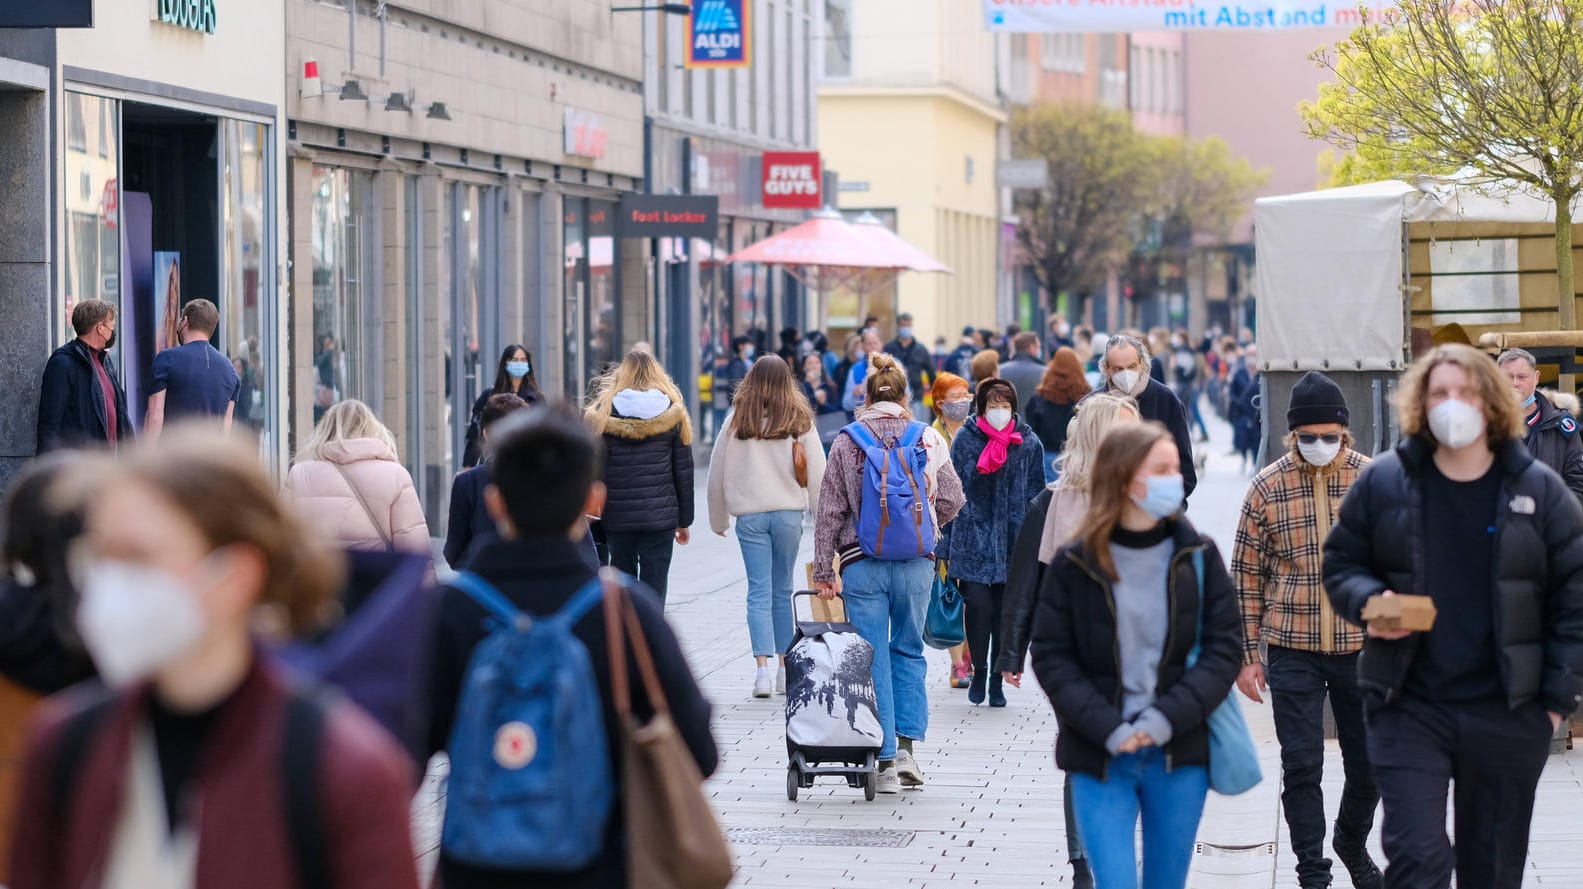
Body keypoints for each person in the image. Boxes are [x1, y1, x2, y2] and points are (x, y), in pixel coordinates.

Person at [10, 428, 420, 889]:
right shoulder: (64, 745)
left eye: (138, 557)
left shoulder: (344, 770)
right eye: (100, 554)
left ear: (234, 576)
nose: (106, 581)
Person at [1323, 343, 1583, 889]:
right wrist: (1369, 600)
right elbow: (1343, 562)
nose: (1453, 403)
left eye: (1465, 392)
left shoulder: (1538, 489)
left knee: (1491, 870)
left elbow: (1573, 597)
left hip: (1507, 709)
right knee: (1418, 860)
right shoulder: (1385, 481)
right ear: (1420, 403)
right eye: (1439, 392)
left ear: (1492, 400)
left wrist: (1556, 704)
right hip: (1409, 703)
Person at [427, 407, 717, 889]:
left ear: (495, 504)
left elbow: (399, 753)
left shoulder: (448, 613)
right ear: (594, 499)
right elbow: (700, 754)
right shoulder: (626, 613)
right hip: (600, 864)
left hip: (474, 864)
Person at [1031, 422, 1240, 889]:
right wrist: (1107, 727)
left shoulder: (1199, 557)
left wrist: (1165, 718)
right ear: (1125, 479)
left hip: (1178, 753)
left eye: (1177, 468)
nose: (1176, 479)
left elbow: (1224, 651)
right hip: (1101, 753)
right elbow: (1050, 655)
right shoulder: (1076, 563)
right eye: (1162, 469)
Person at [1232, 372, 1381, 889]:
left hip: (1362, 647)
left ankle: (1350, 840)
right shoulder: (1266, 486)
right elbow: (1246, 576)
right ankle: (1311, 871)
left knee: (1370, 765)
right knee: (1301, 764)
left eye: (1330, 435)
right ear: (1292, 435)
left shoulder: (1373, 481)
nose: (1320, 445)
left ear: (1346, 432)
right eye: (1308, 436)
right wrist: (1248, 655)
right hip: (1292, 645)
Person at [997, 392, 1139, 889]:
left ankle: (1114, 848)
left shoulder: (1145, 498)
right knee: (1083, 746)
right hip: (1069, 652)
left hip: (1133, 652)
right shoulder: (1053, 502)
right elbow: (1025, 583)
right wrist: (1011, 653)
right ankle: (1084, 863)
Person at [812, 353, 965, 793]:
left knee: (871, 656)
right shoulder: (927, 439)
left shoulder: (847, 440)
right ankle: (907, 752)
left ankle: (878, 758)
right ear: (905, 395)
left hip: (862, 565)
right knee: (909, 652)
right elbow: (954, 497)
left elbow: (829, 510)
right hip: (916, 564)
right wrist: (926, 528)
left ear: (866, 395)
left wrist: (826, 568)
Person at [708, 356, 828, 697]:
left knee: (757, 591)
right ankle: (782, 668)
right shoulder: (799, 419)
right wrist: (823, 519)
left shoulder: (736, 420)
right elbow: (819, 472)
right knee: (782, 589)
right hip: (789, 513)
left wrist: (718, 517)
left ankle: (760, 673)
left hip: (751, 516)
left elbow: (717, 471)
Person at [943, 379, 1045, 707]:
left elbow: (1037, 493)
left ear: (1014, 408)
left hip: (1015, 542)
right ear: (981, 408)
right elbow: (951, 491)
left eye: (1005, 405)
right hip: (973, 539)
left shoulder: (1028, 443)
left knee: (1003, 611)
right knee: (978, 608)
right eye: (992, 405)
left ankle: (997, 679)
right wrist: (946, 543)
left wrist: (1036, 540)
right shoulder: (966, 440)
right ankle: (979, 669)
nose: (999, 412)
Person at [586, 349, 695, 602]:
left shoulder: (605, 413)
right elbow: (684, 472)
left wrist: (596, 521)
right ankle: (652, 637)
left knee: (622, 588)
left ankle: (625, 638)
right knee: (654, 589)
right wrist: (684, 521)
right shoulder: (673, 413)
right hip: (660, 517)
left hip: (617, 517)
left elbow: (596, 472)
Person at [284, 399, 432, 553]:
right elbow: (415, 552)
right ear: (373, 429)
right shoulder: (395, 475)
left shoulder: (299, 475)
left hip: (318, 575)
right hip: (377, 576)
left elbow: (282, 539)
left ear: (325, 430)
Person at [1094, 335, 1199, 498]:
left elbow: (1185, 470)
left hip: (1157, 506)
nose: (1126, 374)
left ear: (1142, 363)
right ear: (1106, 368)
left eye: (1131, 366)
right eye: (1118, 369)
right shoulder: (1092, 405)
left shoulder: (1166, 399)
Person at [445, 393, 531, 569]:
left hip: (483, 584)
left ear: (486, 434)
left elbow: (454, 551)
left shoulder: (467, 482)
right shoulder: (551, 477)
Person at [930, 372, 977, 690]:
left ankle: (971, 654)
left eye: (966, 397)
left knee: (972, 594)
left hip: (973, 523)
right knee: (951, 593)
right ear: (939, 402)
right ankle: (958, 663)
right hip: (945, 523)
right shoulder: (931, 435)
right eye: (955, 397)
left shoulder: (976, 432)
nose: (962, 403)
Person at [37, 298, 132, 452]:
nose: (112, 332)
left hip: (109, 465)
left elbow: (120, 413)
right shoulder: (63, 363)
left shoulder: (104, 361)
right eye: (111, 327)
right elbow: (49, 425)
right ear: (100, 328)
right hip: (81, 466)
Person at [144, 299, 241, 438]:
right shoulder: (230, 371)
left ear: (185, 321)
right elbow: (226, 426)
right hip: (211, 456)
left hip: (173, 455)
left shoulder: (166, 360)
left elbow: (154, 416)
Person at [1498, 348, 1583, 504]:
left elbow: (1578, 482)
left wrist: (1553, 517)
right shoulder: (1482, 424)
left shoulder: (1560, 426)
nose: (1515, 383)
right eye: (1508, 377)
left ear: (1536, 378)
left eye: (1522, 377)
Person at [464, 344, 542, 467]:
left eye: (523, 360)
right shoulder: (489, 396)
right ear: (506, 363)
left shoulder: (537, 399)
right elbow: (475, 435)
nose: (519, 364)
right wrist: (467, 466)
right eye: (515, 360)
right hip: (493, 463)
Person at [1027, 347, 1091, 482]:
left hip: (1048, 457)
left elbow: (1033, 429)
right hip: (1077, 456)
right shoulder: (1085, 397)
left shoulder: (1040, 398)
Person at [884, 313, 935, 418]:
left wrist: (935, 393)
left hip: (916, 396)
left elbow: (931, 372)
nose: (906, 328)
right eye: (903, 325)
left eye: (908, 325)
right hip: (894, 397)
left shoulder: (920, 349)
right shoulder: (889, 348)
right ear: (898, 327)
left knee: (915, 425)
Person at [1170, 331, 1209, 444]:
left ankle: (1191, 432)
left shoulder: (1183, 351)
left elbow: (1182, 370)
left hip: (1186, 385)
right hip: (1190, 385)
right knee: (1190, 409)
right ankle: (1196, 431)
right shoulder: (1189, 352)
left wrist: (1174, 365)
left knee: (1185, 409)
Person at [1230, 348, 1263, 472]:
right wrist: (1238, 402)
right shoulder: (1239, 373)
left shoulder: (1261, 373)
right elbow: (1232, 391)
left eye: (1254, 355)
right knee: (1242, 438)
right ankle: (1244, 458)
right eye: (1249, 355)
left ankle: (1255, 464)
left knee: (1256, 439)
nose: (1251, 357)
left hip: (1256, 412)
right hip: (1242, 412)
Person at [999, 332, 1046, 414]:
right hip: (1034, 424)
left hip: (1007, 423)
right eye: (1038, 347)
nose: (1039, 350)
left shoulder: (1000, 370)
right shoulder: (1045, 372)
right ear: (1032, 347)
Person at [842, 328, 887, 414]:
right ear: (863, 346)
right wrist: (855, 395)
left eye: (875, 343)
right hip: (864, 420)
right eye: (869, 344)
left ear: (881, 344)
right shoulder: (855, 370)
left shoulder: (894, 366)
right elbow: (846, 405)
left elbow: (906, 396)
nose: (873, 346)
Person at [724, 335, 755, 405]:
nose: (752, 347)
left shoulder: (751, 362)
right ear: (740, 346)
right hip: (741, 403)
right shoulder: (736, 365)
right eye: (749, 344)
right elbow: (736, 385)